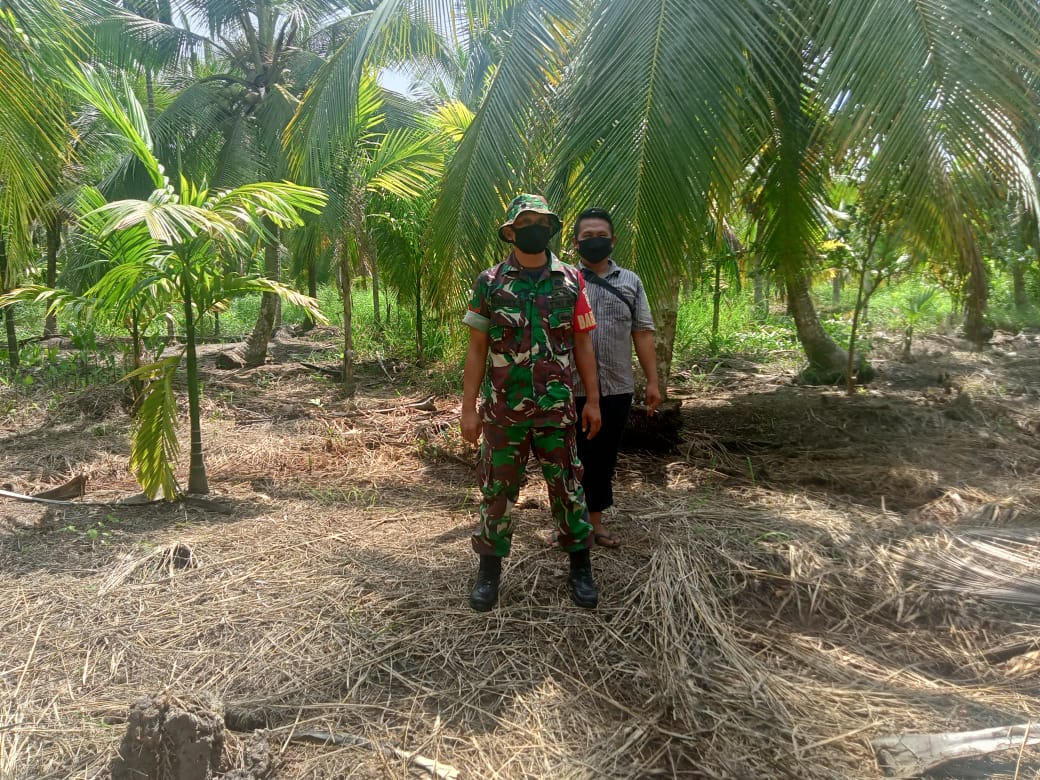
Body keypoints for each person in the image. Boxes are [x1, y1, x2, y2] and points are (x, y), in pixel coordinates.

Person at [461, 193, 603, 612]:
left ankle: (580, 567)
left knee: (568, 489)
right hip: (504, 412)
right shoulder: (490, 281)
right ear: (511, 231)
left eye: (542, 221)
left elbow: (582, 343)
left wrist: (592, 400)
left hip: (557, 410)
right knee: (497, 491)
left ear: (552, 228)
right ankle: (489, 572)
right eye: (526, 222)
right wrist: (468, 408)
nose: (534, 228)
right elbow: (476, 348)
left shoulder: (573, 280)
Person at [570, 207, 661, 547]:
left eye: (601, 236)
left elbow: (643, 332)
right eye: (587, 237)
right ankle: (570, 523)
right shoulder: (565, 279)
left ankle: (596, 522)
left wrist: (652, 382)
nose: (595, 242)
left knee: (603, 458)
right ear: (576, 242)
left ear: (613, 240)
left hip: (618, 387)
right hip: (570, 388)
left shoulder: (631, 281)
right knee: (570, 458)